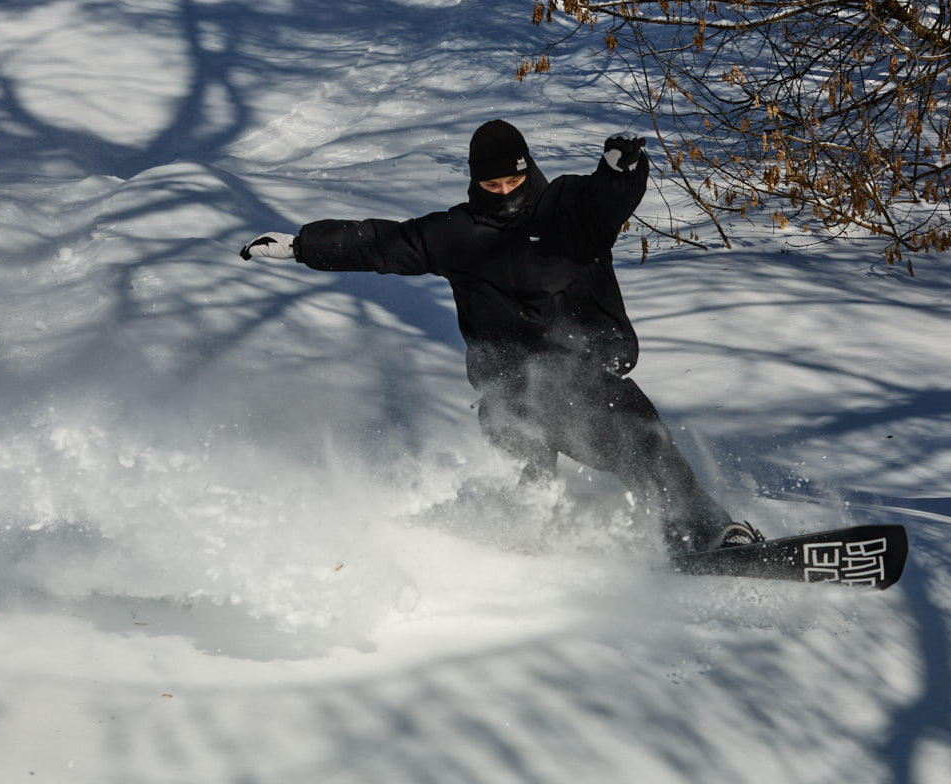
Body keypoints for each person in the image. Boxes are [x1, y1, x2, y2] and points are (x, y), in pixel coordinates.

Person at [240, 119, 760, 555]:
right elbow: (381, 243)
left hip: (585, 379)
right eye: (492, 187)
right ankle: (513, 556)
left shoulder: (568, 208)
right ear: (475, 183)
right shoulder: (455, 234)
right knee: (529, 481)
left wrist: (623, 171)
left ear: (527, 169)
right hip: (510, 392)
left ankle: (703, 539)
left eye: (514, 182)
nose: (506, 195)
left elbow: (608, 199)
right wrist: (303, 245)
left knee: (646, 447)